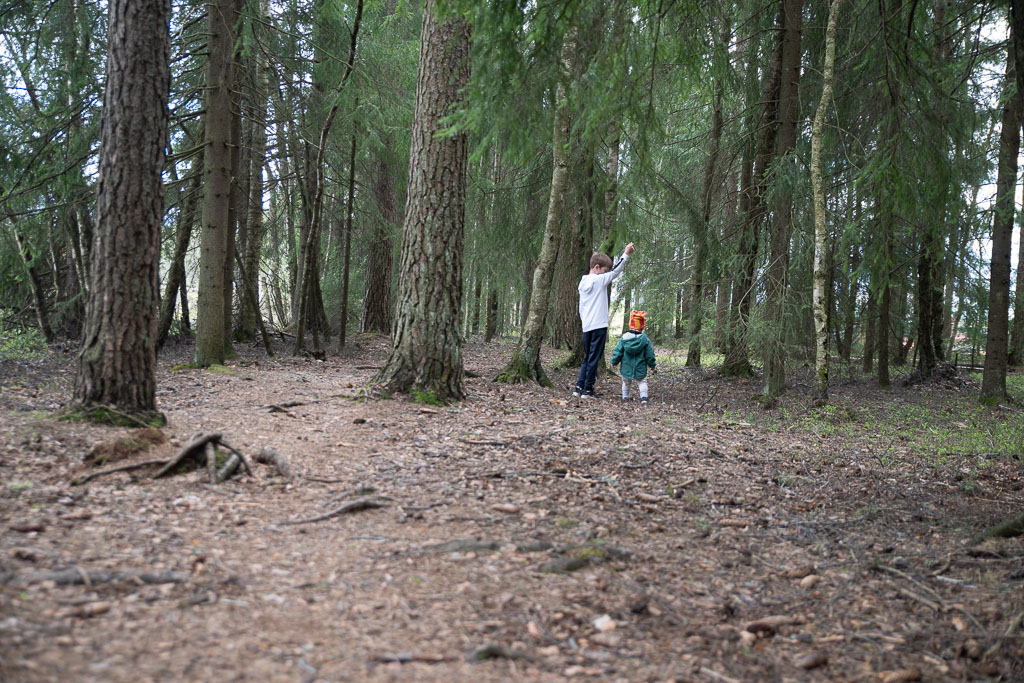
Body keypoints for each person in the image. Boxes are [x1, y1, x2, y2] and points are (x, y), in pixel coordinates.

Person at [573, 242, 635, 398]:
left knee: (588, 357)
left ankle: (579, 387)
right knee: (593, 358)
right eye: (604, 271)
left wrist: (584, 322)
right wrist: (626, 253)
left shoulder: (583, 282)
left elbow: (581, 307)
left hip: (587, 326)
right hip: (598, 325)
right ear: (596, 267)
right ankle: (588, 389)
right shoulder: (598, 280)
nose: (605, 275)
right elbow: (616, 271)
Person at [611, 310, 656, 404]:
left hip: (627, 366)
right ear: (642, 326)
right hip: (640, 365)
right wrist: (652, 365)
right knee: (642, 381)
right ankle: (644, 397)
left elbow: (618, 351)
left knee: (626, 382)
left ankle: (625, 397)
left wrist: (614, 362)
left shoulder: (624, 338)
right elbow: (649, 354)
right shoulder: (645, 339)